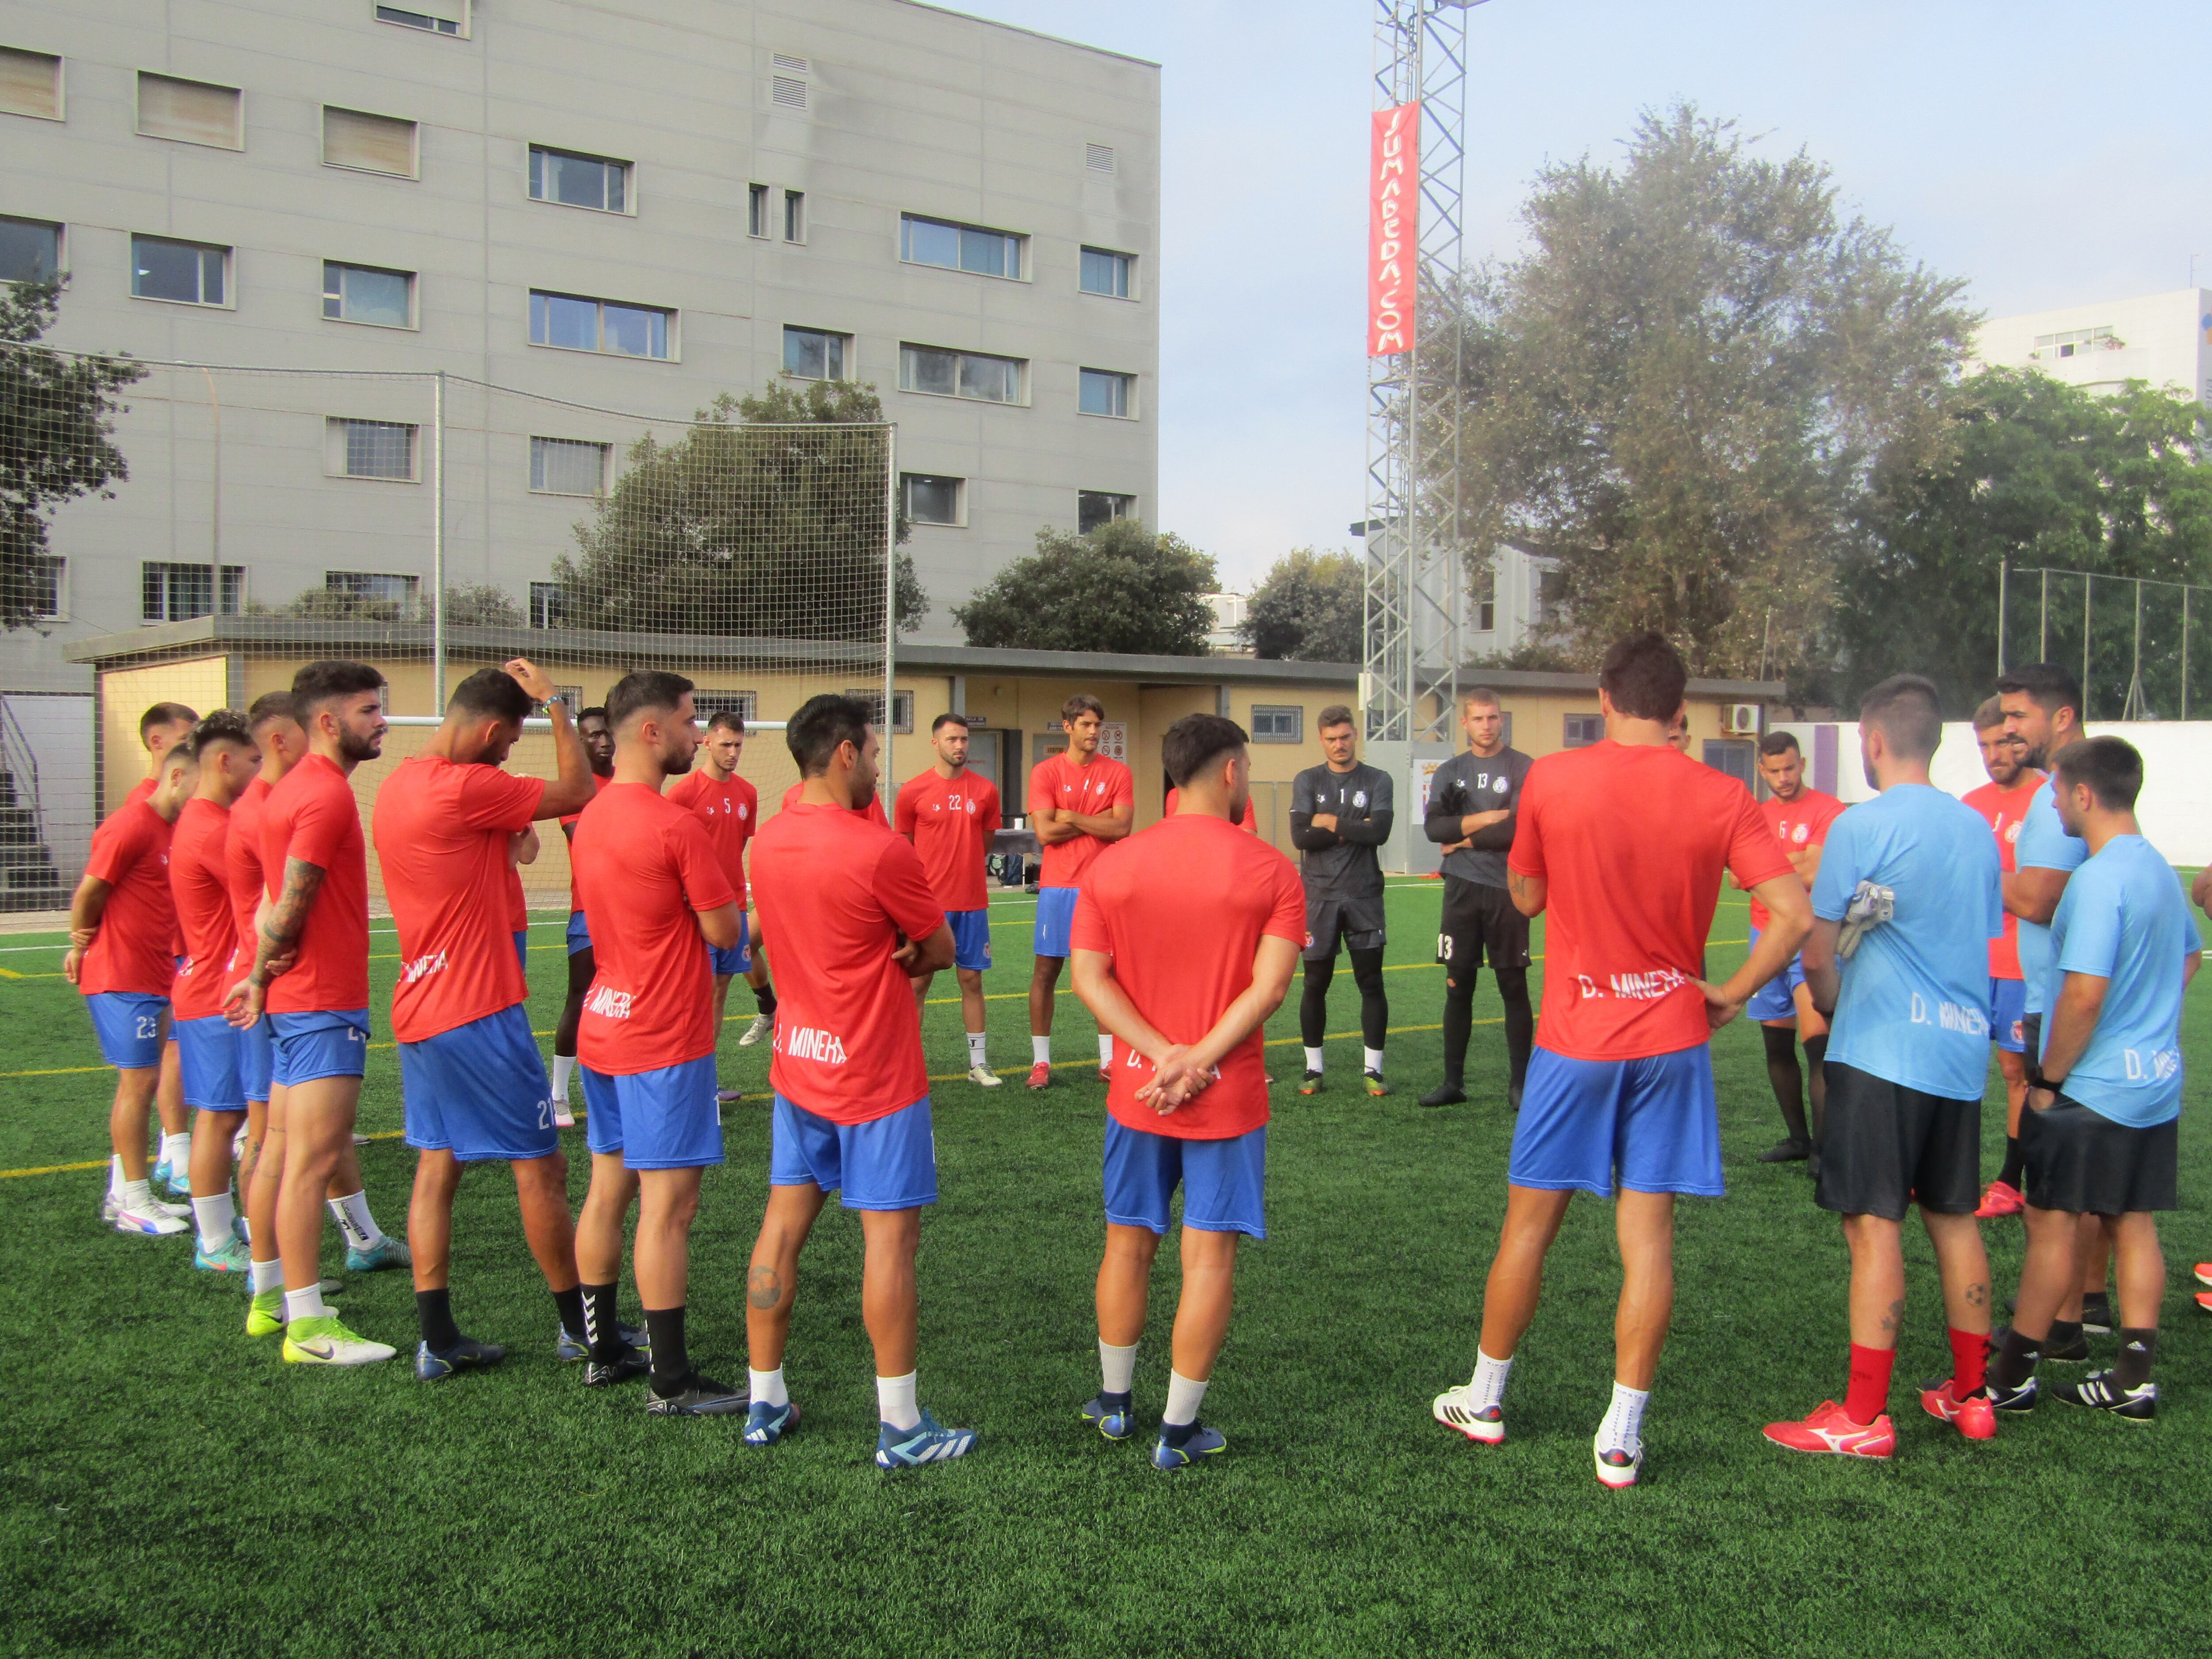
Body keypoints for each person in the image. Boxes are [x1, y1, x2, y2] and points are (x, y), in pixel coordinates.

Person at [1429, 633, 1809, 1490]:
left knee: (1528, 1229)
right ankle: (1620, 1436)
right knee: (1648, 1244)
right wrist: (1734, 991)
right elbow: (1789, 911)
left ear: (1603, 698)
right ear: (1681, 712)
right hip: (1672, 1037)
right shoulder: (1721, 793)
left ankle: (1485, 1398)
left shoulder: (1553, 779)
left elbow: (1524, 894)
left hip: (1573, 1040)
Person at [1762, 676, 2003, 1459]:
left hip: (1883, 1052)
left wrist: (1828, 1003)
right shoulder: (1974, 829)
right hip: (1961, 1053)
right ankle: (1973, 1396)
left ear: (1870, 740)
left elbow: (1821, 951)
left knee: (1873, 1226)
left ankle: (1864, 1418)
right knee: (1954, 1216)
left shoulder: (1861, 826)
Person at [744, 694, 976, 1467]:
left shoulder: (767, 842)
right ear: (844, 752)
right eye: (874, 751)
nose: (880, 765)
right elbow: (939, 946)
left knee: (781, 1229)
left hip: (799, 1065)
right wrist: (912, 951)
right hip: (874, 1076)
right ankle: (902, 1427)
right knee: (890, 1243)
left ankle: (764, 1401)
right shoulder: (879, 849)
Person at [1071, 713, 1303, 1469]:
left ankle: (1114, 1406)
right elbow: (1269, 991)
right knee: (1207, 1263)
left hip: (1138, 1093)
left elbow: (1088, 978)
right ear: (1232, 771)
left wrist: (1158, 1055)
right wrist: (1197, 1059)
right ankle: (1177, 1431)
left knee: (1127, 1244)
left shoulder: (1112, 864)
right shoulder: (1272, 870)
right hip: (1225, 1096)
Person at [373, 663, 603, 1381]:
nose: (507, 757)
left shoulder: (399, 785)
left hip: (419, 1006)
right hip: (476, 1011)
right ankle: (578, 1330)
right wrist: (558, 707)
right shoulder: (464, 785)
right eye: (509, 744)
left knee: (438, 1167)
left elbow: (509, 845)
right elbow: (578, 792)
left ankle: (436, 1338)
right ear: (495, 730)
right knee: (543, 1166)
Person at [1985, 737, 2198, 1421]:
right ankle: (2134, 1379)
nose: (2050, 800)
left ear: (2084, 795)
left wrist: (2049, 1078)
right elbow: (2190, 959)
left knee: (2051, 1221)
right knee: (2133, 1220)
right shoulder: (2161, 869)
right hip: (2155, 1078)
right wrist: (2145, 1020)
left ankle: (2012, 1375)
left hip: (2095, 1085)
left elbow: (2081, 995)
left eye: (2057, 792)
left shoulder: (2099, 878)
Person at [571, 672, 745, 1413]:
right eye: (687, 721)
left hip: (604, 1022)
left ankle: (602, 1348)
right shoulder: (675, 825)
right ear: (651, 732)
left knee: (609, 1188)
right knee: (668, 1208)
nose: (697, 734)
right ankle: (670, 1382)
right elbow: (725, 933)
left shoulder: (595, 812)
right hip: (663, 1035)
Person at [225, 660, 405, 1367]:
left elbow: (274, 908)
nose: (383, 720)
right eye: (369, 710)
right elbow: (291, 907)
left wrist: (259, 978)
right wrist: (260, 977)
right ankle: (309, 1326)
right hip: (321, 1002)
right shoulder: (324, 796)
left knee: (281, 1153)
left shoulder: (288, 791)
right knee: (311, 1160)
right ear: (327, 722)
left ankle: (271, 1297)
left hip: (296, 999)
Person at [1999, 664, 2114, 1344]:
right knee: (2089, 1171)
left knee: (2054, 1187)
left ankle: (2051, 1326)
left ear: (2062, 717)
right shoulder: (2079, 789)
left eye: (2018, 716)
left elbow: (2040, 899)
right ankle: (2088, 1302)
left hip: (2061, 1001)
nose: (2009, 730)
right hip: (2069, 995)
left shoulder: (2062, 796)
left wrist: (1981, 868)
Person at [65, 735, 193, 1238]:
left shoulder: (168, 828)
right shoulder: (131, 824)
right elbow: (91, 889)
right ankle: (134, 1201)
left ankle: (126, 1193)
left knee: (146, 1080)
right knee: (138, 1084)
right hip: (122, 975)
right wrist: (81, 941)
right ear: (179, 777)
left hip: (153, 972)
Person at [167, 711, 261, 1272]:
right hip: (213, 994)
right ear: (224, 762)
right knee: (223, 1117)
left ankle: (228, 1237)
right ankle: (216, 1242)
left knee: (228, 1116)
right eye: (253, 761)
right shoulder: (210, 829)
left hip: (211, 987)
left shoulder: (206, 821)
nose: (259, 770)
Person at [1419, 688, 1533, 1110]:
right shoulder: (1451, 771)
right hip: (1462, 890)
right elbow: (1434, 830)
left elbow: (1518, 828)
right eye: (1479, 719)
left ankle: (1520, 1085)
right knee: (1457, 985)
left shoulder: (1524, 768)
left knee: (1512, 985)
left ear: (1502, 720)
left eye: (1493, 718)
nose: (1487, 725)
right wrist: (1487, 818)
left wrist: (1463, 839)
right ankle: (1454, 1083)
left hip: (1509, 889)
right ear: (1464, 724)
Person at [1740, 730, 1845, 1165]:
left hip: (1809, 935)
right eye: (1773, 771)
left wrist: (1765, 866)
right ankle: (1798, 1140)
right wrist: (1794, 860)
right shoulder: (1754, 814)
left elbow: (1815, 873)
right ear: (1761, 770)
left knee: (1817, 1044)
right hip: (1764, 936)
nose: (1783, 778)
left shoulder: (1828, 810)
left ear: (1801, 763)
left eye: (1789, 768)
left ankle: (1824, 1151)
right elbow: (1733, 875)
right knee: (1775, 1047)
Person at [1025, 695, 1134, 1090]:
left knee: (1104, 975)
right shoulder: (1045, 772)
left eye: (1098, 725)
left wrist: (1069, 816)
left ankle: (1108, 1061)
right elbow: (1045, 832)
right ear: (1067, 726)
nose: (1094, 733)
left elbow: (1122, 829)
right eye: (1086, 725)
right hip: (1058, 887)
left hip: (1103, 887)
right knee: (1046, 973)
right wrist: (1096, 821)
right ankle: (1041, 1063)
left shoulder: (1119, 773)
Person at [1963, 696, 2045, 1217]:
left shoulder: (2049, 800)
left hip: (2022, 967)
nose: (1995, 754)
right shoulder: (1969, 804)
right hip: (1971, 963)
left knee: (2017, 1073)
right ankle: (1941, 1170)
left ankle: (2010, 1182)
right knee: (1961, 1067)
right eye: (1984, 746)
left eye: (2004, 741)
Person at [895, 712, 1003, 1087]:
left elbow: (985, 846)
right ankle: (905, 1064)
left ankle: (978, 1064)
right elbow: (904, 848)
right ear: (935, 743)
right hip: (929, 906)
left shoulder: (986, 791)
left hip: (972, 903)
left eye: (964, 739)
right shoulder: (913, 791)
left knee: (972, 980)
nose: (960, 746)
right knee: (917, 984)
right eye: (952, 739)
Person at [1290, 704, 1394, 1096]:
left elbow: (1380, 832)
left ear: (1356, 736)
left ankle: (1374, 1070)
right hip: (1318, 897)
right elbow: (1301, 837)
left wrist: (1329, 821)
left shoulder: (1378, 779)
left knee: (1371, 981)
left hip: (1364, 894)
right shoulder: (1307, 779)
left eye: (1345, 737)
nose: (1339, 745)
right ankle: (1314, 1070)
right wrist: (1356, 827)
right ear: (1322, 740)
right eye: (1331, 739)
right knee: (1316, 983)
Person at [665, 710, 764, 1102]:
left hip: (734, 904)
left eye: (738, 745)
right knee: (695, 992)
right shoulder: (684, 792)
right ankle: (684, 1079)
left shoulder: (748, 794)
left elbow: (736, 845)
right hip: (697, 910)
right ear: (707, 742)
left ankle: (705, 1080)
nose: (733, 752)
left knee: (721, 989)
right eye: (726, 744)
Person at [132, 701, 199, 1199]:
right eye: (187, 734)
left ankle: (177, 1145)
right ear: (158, 743)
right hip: (170, 951)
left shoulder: (190, 802)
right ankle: (177, 1151)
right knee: (174, 1051)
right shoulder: (145, 807)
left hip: (195, 944)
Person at [549, 706, 614, 1128]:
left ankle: (615, 1085)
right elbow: (585, 842)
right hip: (590, 910)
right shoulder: (577, 789)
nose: (603, 741)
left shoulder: (631, 782)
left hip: (633, 913)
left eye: (606, 733)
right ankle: (556, 1095)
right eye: (592, 736)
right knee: (581, 999)